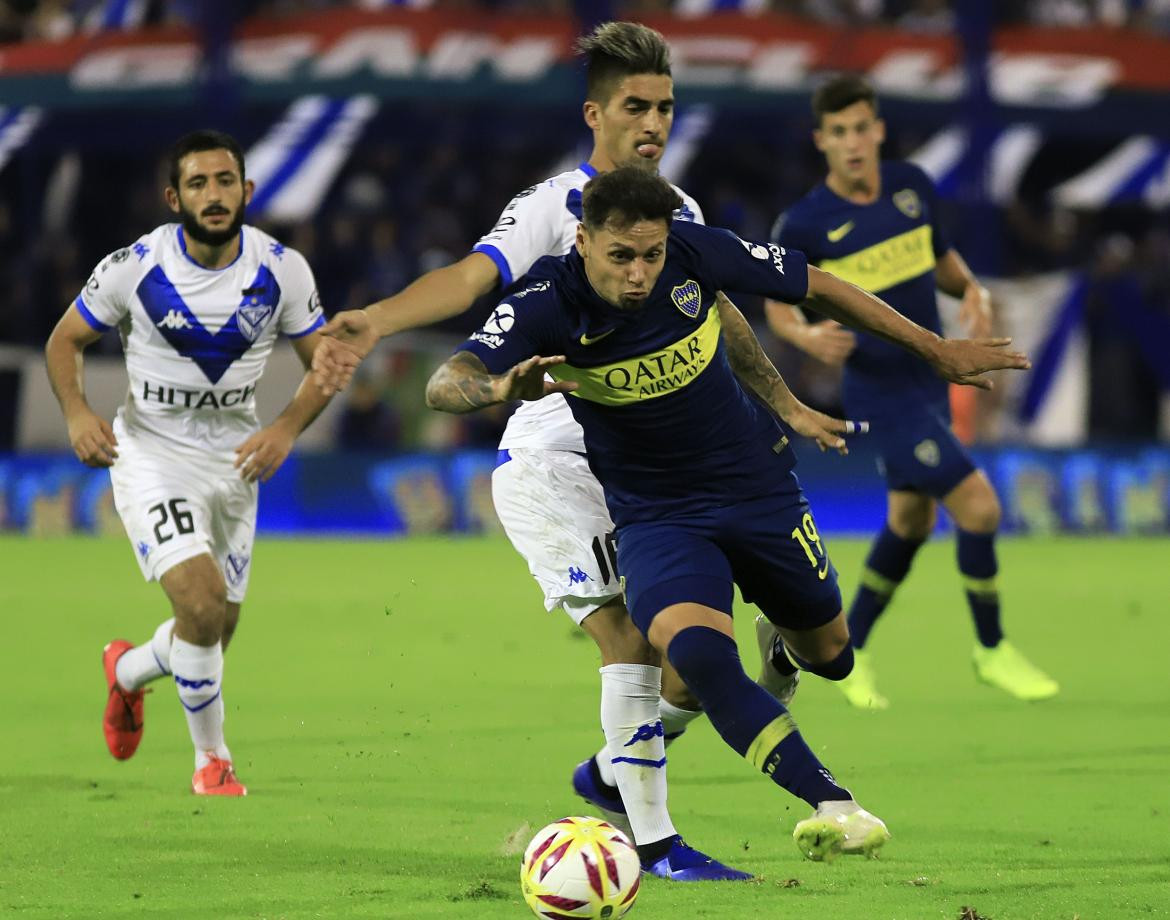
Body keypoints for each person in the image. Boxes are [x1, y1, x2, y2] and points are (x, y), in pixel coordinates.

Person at [424, 166, 1032, 861]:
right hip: (658, 514)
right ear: (584, 242)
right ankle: (835, 804)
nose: (639, 274)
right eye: (621, 256)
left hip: (755, 486)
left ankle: (617, 763)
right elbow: (447, 381)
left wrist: (935, 348)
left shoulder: (696, 251)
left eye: (650, 255)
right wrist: (501, 385)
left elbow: (818, 285)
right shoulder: (544, 303)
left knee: (831, 656)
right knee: (700, 658)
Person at [311, 22, 779, 880]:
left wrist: (776, 399)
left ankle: (610, 771)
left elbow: (715, 311)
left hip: (649, 470)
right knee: (633, 646)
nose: (654, 124)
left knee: (693, 654)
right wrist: (378, 320)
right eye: (635, 106)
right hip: (555, 464)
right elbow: (468, 278)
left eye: (666, 107)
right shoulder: (551, 207)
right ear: (594, 113)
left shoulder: (680, 216)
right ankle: (655, 846)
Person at [44, 130, 331, 796]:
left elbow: (326, 363)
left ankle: (127, 672)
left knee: (214, 631)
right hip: (151, 454)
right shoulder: (134, 267)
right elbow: (66, 340)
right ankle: (213, 762)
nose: (214, 194)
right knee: (199, 604)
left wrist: (287, 428)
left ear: (247, 191)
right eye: (198, 183)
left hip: (236, 461)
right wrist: (78, 414)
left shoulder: (283, 269)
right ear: (174, 196)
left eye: (225, 181)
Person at [762, 75, 1060, 709]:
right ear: (822, 141)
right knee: (978, 507)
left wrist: (974, 292)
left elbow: (943, 263)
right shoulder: (807, 222)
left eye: (860, 128)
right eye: (837, 132)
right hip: (877, 390)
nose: (851, 143)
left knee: (910, 520)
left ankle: (854, 649)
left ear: (878, 131)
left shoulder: (910, 189)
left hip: (928, 382)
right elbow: (780, 308)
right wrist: (808, 339)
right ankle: (992, 648)